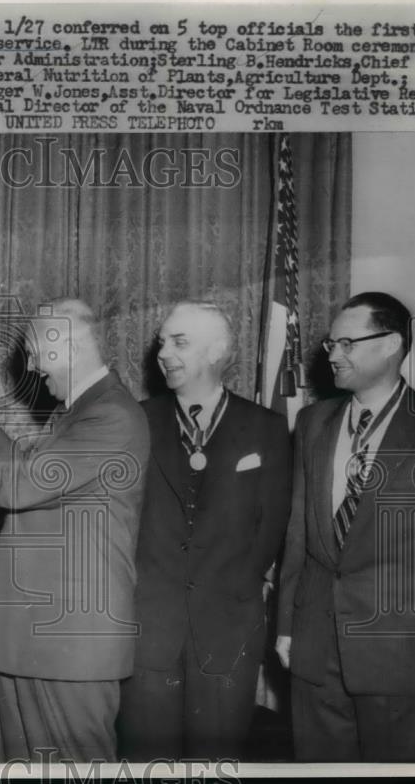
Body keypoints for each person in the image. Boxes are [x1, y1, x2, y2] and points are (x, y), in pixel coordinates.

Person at [0, 298, 150, 763]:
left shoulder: (110, 415)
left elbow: (23, 486)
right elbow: (40, 477)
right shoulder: (76, 412)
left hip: (71, 641)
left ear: (64, 348)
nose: (33, 368)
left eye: (35, 354)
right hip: (41, 637)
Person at [276, 291, 415, 762]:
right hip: (315, 651)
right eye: (330, 344)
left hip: (403, 657)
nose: (332, 354)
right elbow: (298, 530)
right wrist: (287, 626)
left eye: (347, 343)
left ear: (392, 343)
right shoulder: (313, 422)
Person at [117, 301, 291, 760]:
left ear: (216, 352)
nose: (164, 353)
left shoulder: (266, 428)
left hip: (229, 633)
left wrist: (229, 590)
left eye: (180, 342)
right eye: (161, 342)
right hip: (147, 631)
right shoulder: (135, 421)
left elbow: (271, 528)